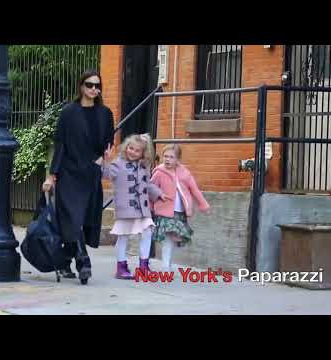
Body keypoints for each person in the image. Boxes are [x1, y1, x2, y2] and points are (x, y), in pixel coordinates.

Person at [42, 70, 114, 285]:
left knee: (84, 220)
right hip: (69, 173)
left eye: (97, 86)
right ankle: (83, 261)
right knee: (72, 217)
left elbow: (108, 142)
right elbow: (60, 145)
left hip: (90, 173)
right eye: (90, 85)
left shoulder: (105, 113)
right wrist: (51, 175)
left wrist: (102, 160)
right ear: (81, 86)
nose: (94, 89)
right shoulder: (68, 112)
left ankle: (64, 261)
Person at [102, 133, 168, 279]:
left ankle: (144, 266)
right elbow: (107, 175)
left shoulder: (143, 166)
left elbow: (148, 184)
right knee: (123, 237)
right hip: (126, 208)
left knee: (147, 233)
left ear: (142, 153)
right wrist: (106, 161)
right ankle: (121, 267)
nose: (132, 152)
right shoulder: (118, 163)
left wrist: (158, 193)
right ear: (126, 147)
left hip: (142, 209)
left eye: (137, 150)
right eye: (130, 148)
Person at [150, 144, 211, 271]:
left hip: (179, 212)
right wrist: (149, 207)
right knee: (167, 239)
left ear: (178, 159)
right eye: (165, 156)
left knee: (173, 240)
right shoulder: (159, 172)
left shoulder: (184, 173)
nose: (167, 159)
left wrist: (203, 205)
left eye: (171, 157)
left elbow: (195, 190)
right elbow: (151, 189)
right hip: (164, 212)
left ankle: (168, 264)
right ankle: (166, 267)